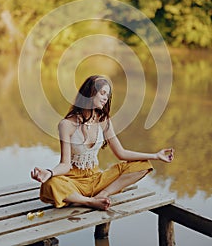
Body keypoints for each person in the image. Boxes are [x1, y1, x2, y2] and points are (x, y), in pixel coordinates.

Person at [31, 75, 174, 211]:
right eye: (103, 93)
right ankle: (89, 201)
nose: (106, 98)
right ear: (90, 93)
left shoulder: (103, 122)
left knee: (143, 164)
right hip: (73, 181)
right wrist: (50, 173)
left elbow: (121, 153)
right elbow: (65, 164)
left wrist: (155, 155)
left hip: (97, 179)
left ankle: (101, 196)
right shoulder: (66, 125)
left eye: (108, 95)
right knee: (51, 184)